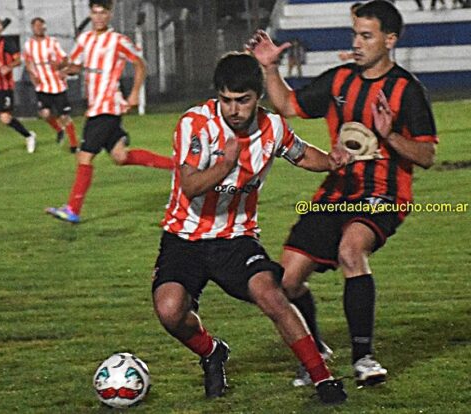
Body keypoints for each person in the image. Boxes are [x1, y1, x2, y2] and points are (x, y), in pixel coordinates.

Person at [249, 0, 437, 387]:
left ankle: (364, 357)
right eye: (355, 34)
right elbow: (287, 105)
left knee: (351, 251)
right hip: (336, 193)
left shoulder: (407, 90)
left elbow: (426, 156)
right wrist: (269, 67)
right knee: (286, 281)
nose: (357, 43)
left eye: (366, 36)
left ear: (389, 40)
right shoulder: (339, 81)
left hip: (383, 193)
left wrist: (389, 135)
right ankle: (315, 350)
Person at [152, 52, 348, 404]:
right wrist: (226, 163)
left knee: (270, 294)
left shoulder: (272, 127)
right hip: (184, 236)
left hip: (236, 237)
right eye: (226, 100)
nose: (233, 109)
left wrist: (331, 161)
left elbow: (301, 153)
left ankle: (323, 379)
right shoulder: (195, 124)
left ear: (258, 97)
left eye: (242, 100)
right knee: (169, 311)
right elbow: (191, 185)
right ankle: (212, 352)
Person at [45, 0, 174, 224]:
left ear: (110, 14)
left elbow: (140, 64)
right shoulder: (84, 39)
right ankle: (177, 166)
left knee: (84, 156)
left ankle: (73, 209)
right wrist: (64, 69)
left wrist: (134, 93)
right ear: (90, 14)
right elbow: (76, 66)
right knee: (120, 157)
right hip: (95, 107)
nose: (98, 17)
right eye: (95, 13)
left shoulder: (118, 41)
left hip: (107, 107)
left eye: (103, 13)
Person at [0, 16, 37, 158]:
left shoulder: (7, 43)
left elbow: (19, 60)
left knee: (5, 118)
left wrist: (8, 66)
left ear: (0, 27)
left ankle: (29, 136)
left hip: (4, 87)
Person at [23, 17, 79, 153]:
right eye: (36, 26)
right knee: (45, 113)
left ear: (44, 27)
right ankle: (59, 130)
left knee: (64, 117)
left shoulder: (52, 42)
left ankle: (73, 145)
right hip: (42, 86)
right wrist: (32, 76)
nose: (38, 28)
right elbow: (28, 62)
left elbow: (65, 59)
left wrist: (59, 65)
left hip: (57, 85)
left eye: (40, 25)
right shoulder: (29, 45)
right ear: (32, 28)